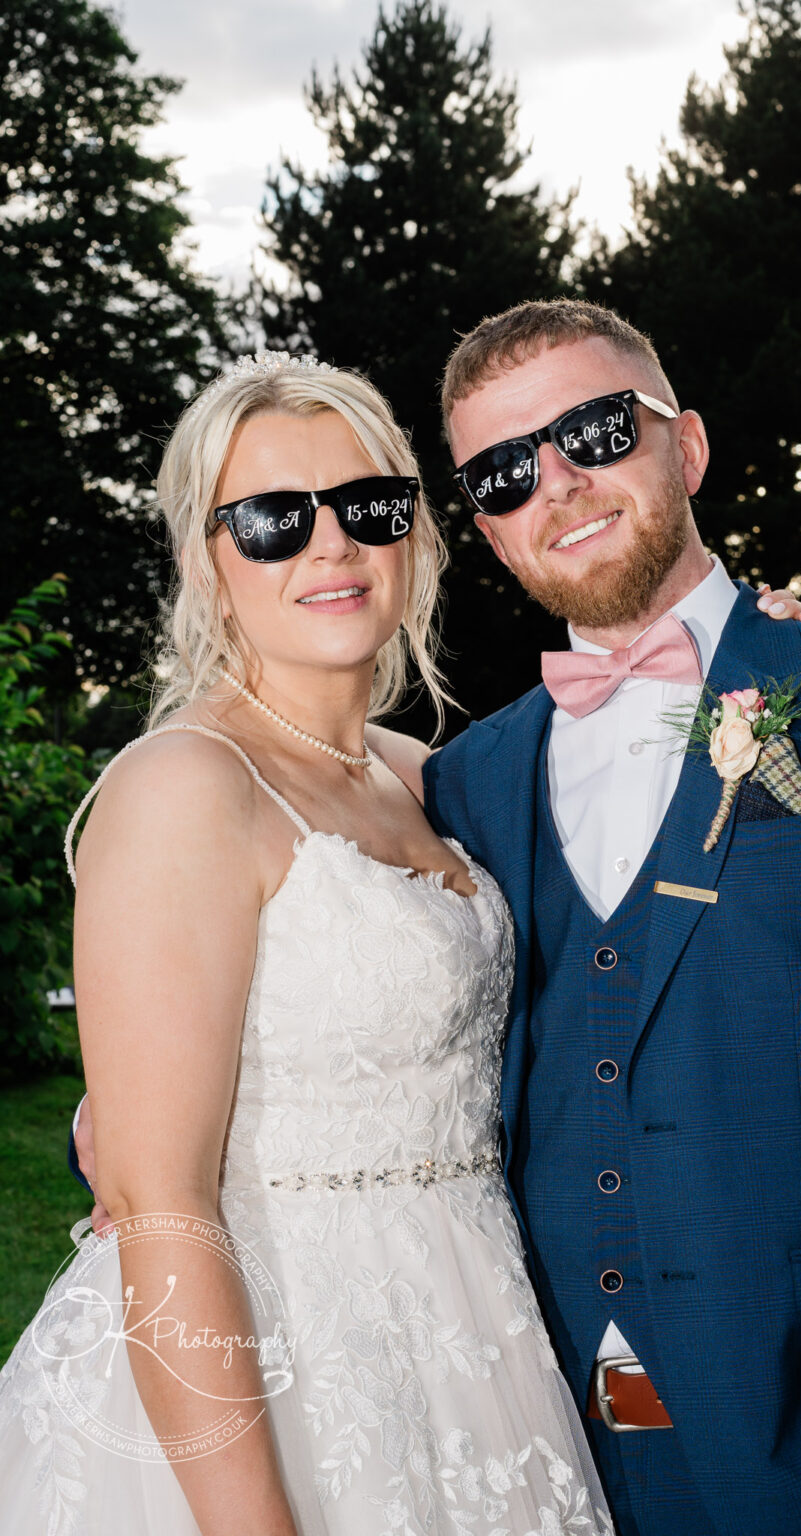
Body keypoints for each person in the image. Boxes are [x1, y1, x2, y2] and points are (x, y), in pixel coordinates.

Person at [418, 299, 801, 1536]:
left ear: (684, 449)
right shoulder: (465, 780)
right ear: (483, 526)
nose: (560, 484)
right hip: (536, 1438)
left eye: (595, 429)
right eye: (503, 470)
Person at [0, 354, 623, 1535]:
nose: (329, 546)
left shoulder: (427, 776)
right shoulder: (186, 785)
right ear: (206, 560)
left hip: (473, 1345)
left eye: (367, 507)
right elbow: (162, 1202)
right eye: (274, 520)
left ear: (414, 536)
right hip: (267, 1375)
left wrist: (761, 654)